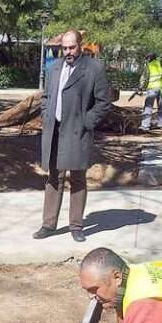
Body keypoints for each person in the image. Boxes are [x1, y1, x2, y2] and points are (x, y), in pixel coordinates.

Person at [33, 29, 111, 242]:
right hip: (54, 131)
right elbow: (47, 96)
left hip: (78, 132)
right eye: (64, 48)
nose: (67, 51)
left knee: (77, 178)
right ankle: (48, 224)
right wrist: (46, 113)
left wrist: (87, 121)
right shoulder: (54, 67)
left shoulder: (94, 68)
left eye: (71, 47)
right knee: (53, 178)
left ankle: (76, 225)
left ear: (80, 45)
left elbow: (104, 102)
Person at [139, 53, 162, 130]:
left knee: (148, 106)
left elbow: (144, 77)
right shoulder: (161, 64)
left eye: (147, 59)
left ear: (149, 58)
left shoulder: (149, 66)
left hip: (152, 88)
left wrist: (140, 87)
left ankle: (145, 125)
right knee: (161, 106)